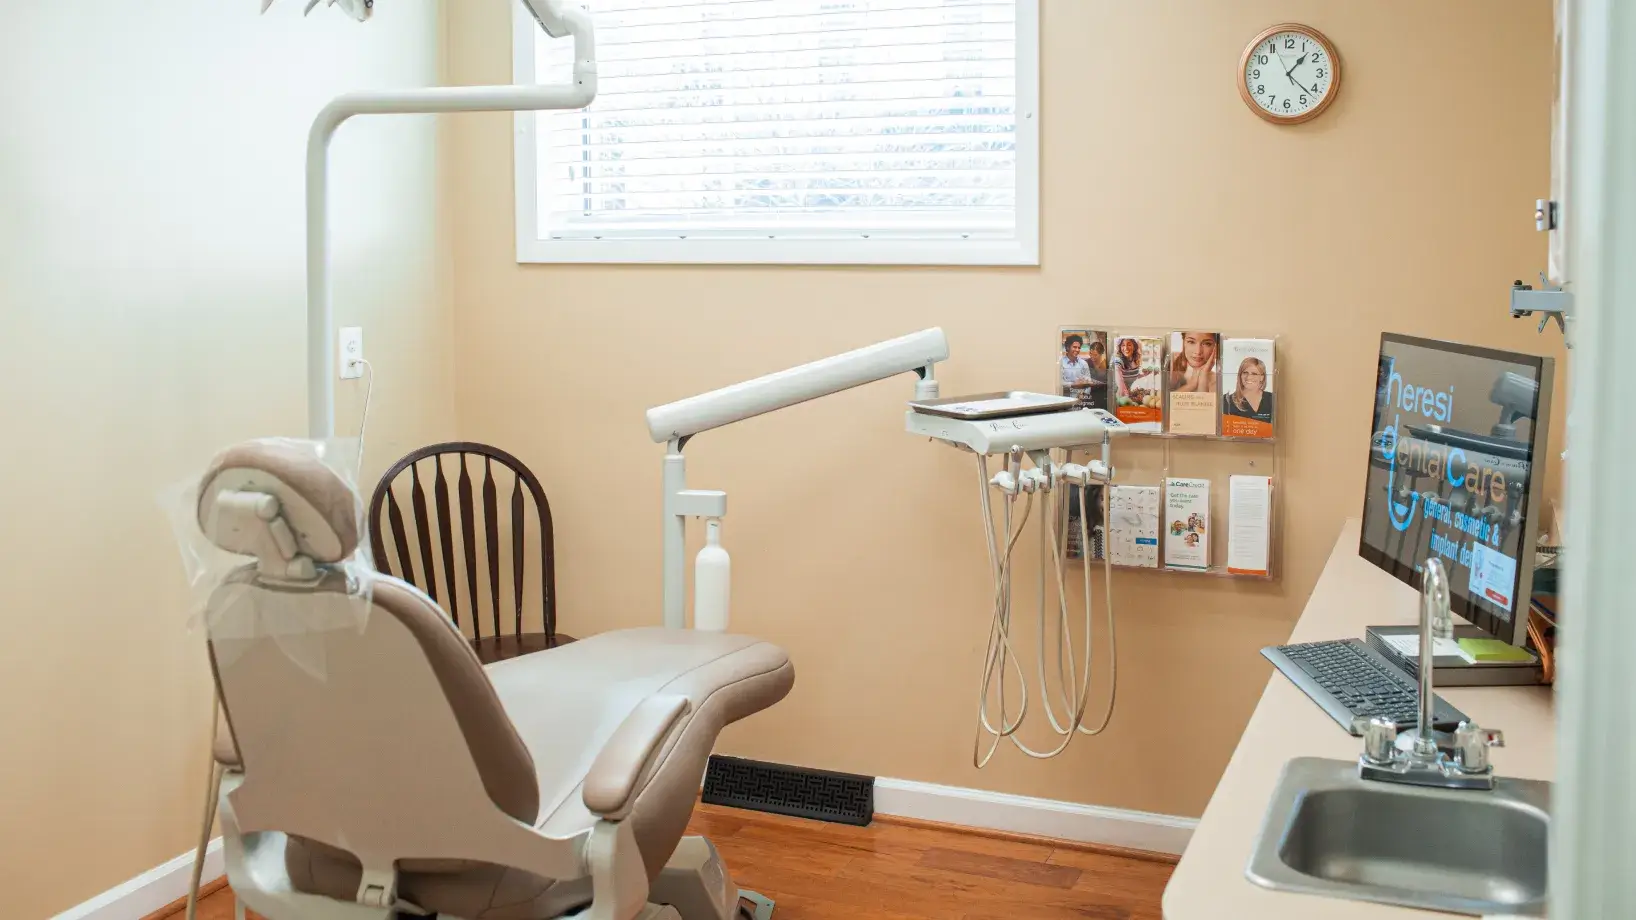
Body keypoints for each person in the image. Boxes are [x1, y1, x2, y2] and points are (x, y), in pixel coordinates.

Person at [1224, 356, 1274, 422]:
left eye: (1254, 374)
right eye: (1245, 373)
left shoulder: (1272, 399)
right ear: (1240, 375)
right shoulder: (1227, 401)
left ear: (1262, 377)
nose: (1249, 377)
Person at [1112, 337, 1144, 402]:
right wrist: (1125, 393)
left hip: (1127, 397)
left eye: (1129, 345)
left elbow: (1131, 375)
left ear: (1134, 347)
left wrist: (1144, 374)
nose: (1126, 348)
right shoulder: (1118, 360)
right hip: (1117, 397)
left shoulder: (1134, 360)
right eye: (1123, 345)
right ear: (1120, 347)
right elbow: (1118, 376)